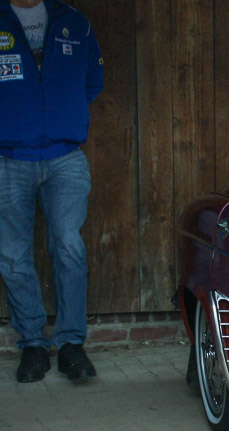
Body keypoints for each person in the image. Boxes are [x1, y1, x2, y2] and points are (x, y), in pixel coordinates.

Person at [0, 0, 103, 382]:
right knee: (12, 256)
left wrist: (62, 114)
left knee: (69, 247)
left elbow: (92, 81)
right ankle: (32, 345)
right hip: (8, 158)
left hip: (65, 156)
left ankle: (72, 344)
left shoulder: (74, 21)